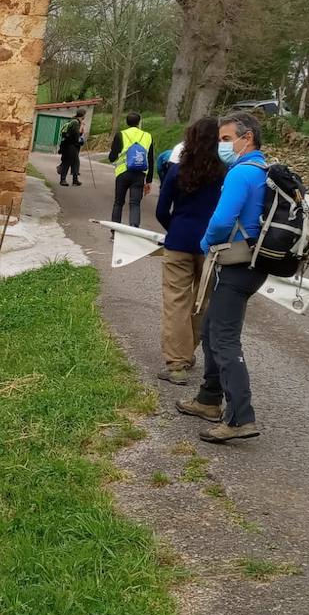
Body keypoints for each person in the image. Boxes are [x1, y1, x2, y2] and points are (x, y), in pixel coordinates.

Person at [176, 113, 268, 443]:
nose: (221, 145)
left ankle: (240, 417)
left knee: (225, 339)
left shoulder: (242, 173)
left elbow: (221, 221)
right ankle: (208, 400)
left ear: (248, 139)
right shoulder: (263, 170)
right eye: (220, 139)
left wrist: (205, 245)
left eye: (227, 139)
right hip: (253, 263)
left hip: (236, 264)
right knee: (213, 329)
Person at [154, 116, 224, 386]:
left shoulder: (177, 170)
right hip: (212, 246)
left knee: (175, 302)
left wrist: (175, 228)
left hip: (179, 242)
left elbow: (162, 210)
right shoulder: (225, 173)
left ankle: (176, 363)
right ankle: (189, 351)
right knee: (202, 303)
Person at [108, 112, 154, 226]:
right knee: (135, 203)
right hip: (140, 173)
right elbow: (151, 159)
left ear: (127, 122)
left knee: (118, 202)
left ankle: (115, 230)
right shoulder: (148, 136)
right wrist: (148, 181)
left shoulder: (121, 134)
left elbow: (112, 157)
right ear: (139, 122)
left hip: (123, 172)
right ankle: (133, 228)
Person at [57, 109, 85, 186]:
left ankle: (75, 180)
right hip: (70, 146)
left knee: (75, 163)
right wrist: (82, 127)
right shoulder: (75, 123)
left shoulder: (73, 121)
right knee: (67, 162)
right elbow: (77, 135)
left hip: (70, 145)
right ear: (82, 116)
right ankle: (63, 180)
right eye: (84, 115)